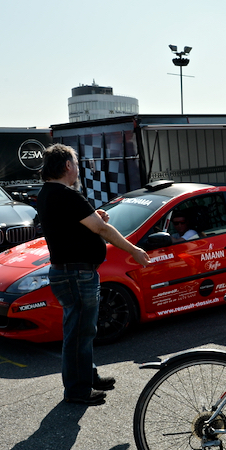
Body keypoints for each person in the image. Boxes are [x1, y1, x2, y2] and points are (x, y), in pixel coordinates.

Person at [37, 144, 151, 406]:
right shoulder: (67, 195)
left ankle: (87, 376)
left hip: (69, 273)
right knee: (79, 332)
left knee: (82, 331)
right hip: (77, 274)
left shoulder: (48, 194)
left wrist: (92, 218)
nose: (77, 169)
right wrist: (133, 250)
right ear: (67, 166)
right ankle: (78, 390)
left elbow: (72, 227)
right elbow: (102, 229)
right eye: (75, 164)